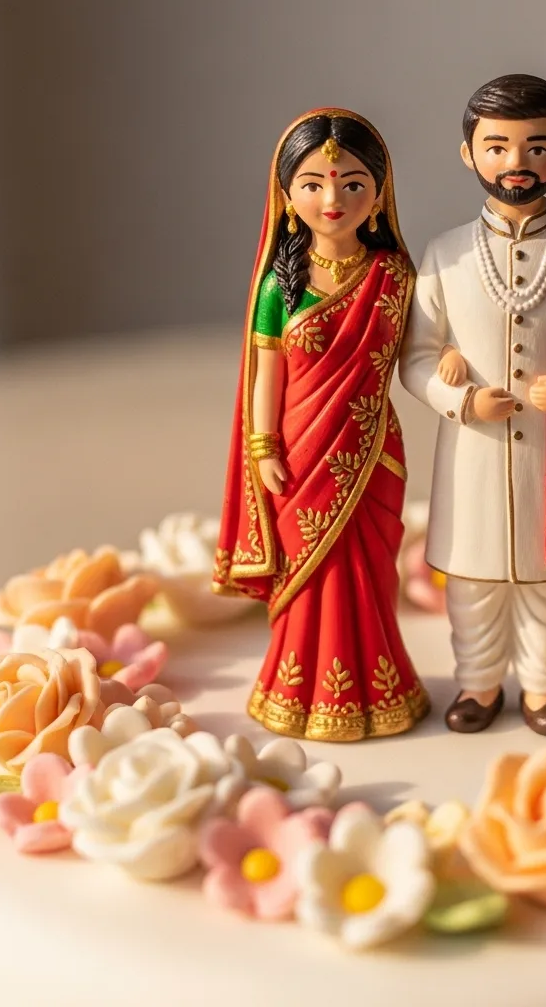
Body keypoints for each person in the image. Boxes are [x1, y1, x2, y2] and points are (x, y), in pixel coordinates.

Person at [399, 74, 546, 737]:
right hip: (470, 458)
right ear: (468, 154)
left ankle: (542, 690)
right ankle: (477, 686)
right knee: (472, 587)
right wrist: (460, 397)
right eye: (498, 146)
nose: (517, 163)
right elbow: (414, 359)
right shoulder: (444, 255)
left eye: (537, 146)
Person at [213, 109, 429, 742]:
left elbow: (421, 350)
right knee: (309, 576)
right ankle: (295, 689)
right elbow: (265, 375)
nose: (333, 199)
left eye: (352, 183)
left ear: (380, 192)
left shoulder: (392, 276)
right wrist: (263, 445)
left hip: (369, 452)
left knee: (369, 570)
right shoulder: (280, 286)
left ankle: (382, 684)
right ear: (287, 198)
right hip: (299, 458)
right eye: (313, 184)